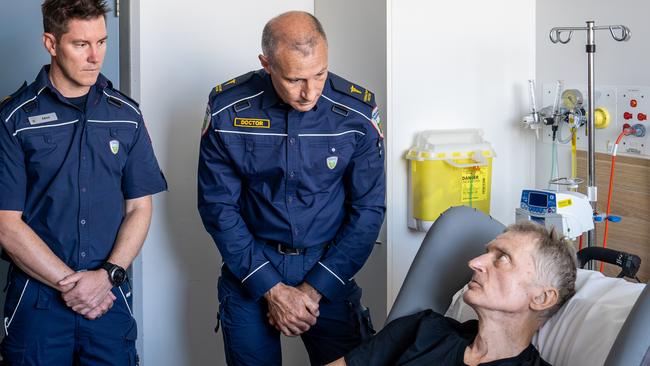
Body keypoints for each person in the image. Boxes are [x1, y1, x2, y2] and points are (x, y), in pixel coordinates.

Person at [197, 10, 386, 366]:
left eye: (320, 74)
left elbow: (369, 210)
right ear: (266, 64)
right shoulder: (229, 109)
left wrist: (313, 289)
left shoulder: (357, 113)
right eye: (296, 79)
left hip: (330, 266)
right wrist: (272, 288)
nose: (310, 92)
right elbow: (217, 206)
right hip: (251, 265)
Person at [0, 0, 167, 364]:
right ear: (51, 43)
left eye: (102, 42)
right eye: (81, 44)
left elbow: (140, 207)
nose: (95, 57)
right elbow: (6, 225)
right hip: (38, 301)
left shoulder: (127, 116)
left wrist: (105, 277)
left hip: (109, 295)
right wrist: (75, 287)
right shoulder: (13, 119)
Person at [329, 221, 577, 366]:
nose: (475, 262)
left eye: (502, 258)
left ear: (542, 298)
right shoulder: (422, 329)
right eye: (486, 252)